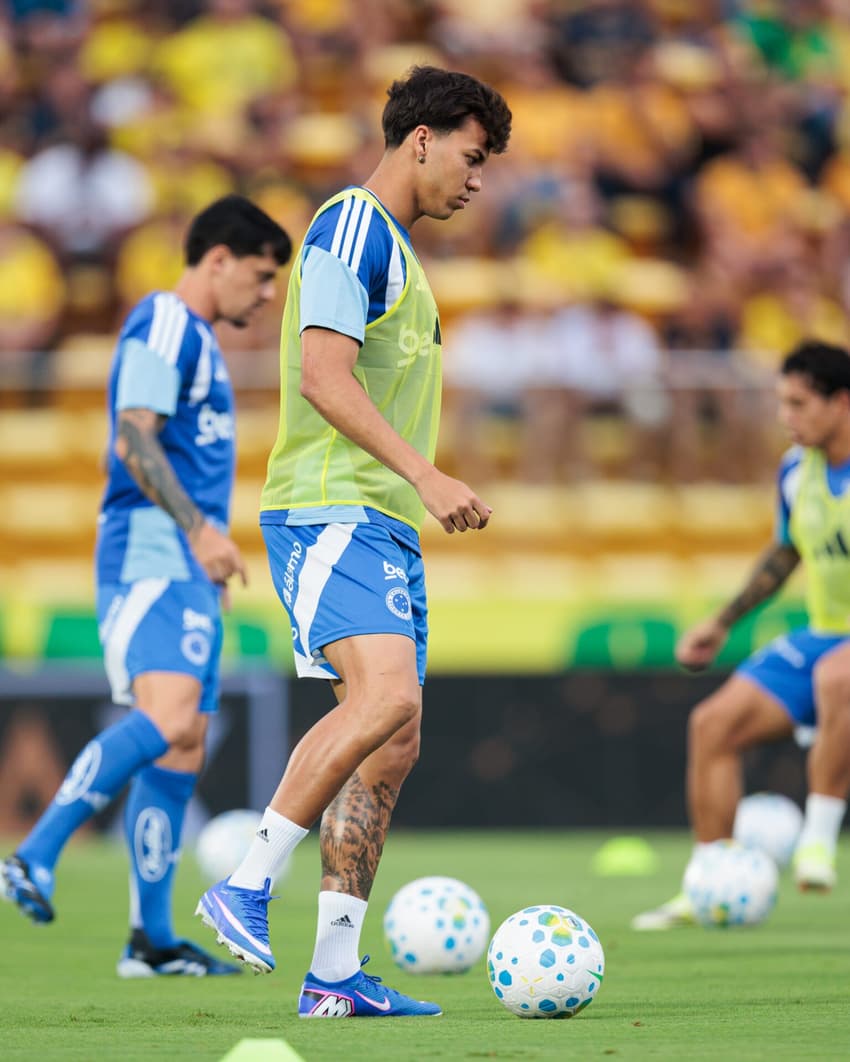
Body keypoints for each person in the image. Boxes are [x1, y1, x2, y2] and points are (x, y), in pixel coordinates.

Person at [195, 65, 512, 1016]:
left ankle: (333, 975)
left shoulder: (399, 255)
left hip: (378, 522)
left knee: (395, 742)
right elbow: (324, 378)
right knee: (386, 698)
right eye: (471, 154)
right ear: (421, 139)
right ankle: (246, 880)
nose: (477, 177)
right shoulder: (350, 228)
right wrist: (428, 474)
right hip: (330, 508)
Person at [1, 195, 292, 976]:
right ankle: (32, 853)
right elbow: (134, 435)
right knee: (165, 719)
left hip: (185, 564)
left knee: (186, 743)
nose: (267, 297)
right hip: (150, 550)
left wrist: (208, 556)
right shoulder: (166, 320)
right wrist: (199, 531)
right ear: (219, 259)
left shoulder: (198, 341)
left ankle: (151, 940)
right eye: (262, 277)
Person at [633, 340, 850, 931]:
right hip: (827, 634)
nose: (787, 417)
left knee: (839, 676)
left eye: (800, 403)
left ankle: (818, 841)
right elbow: (786, 553)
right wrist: (722, 621)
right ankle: (706, 884)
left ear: (841, 403)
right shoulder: (794, 470)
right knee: (712, 725)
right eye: (782, 403)